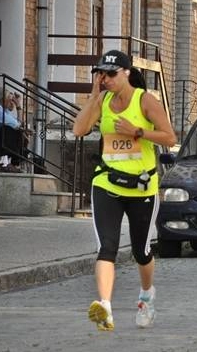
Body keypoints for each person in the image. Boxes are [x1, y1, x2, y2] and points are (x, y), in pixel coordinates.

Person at [73, 49, 176, 331]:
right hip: (106, 183)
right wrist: (94, 96)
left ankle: (146, 296)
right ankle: (104, 306)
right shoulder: (103, 100)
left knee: (141, 251)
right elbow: (79, 129)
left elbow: (170, 136)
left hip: (142, 187)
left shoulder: (146, 101)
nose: (105, 79)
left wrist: (138, 132)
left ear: (126, 73)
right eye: (101, 74)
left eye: (110, 74)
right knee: (107, 248)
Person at [0, 89, 27, 172]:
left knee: (19, 133)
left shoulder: (5, 111)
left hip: (1, 141)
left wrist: (18, 105)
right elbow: (17, 125)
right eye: (10, 100)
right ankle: (4, 163)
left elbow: (20, 123)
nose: (12, 103)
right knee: (9, 130)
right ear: (3, 100)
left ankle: (11, 163)